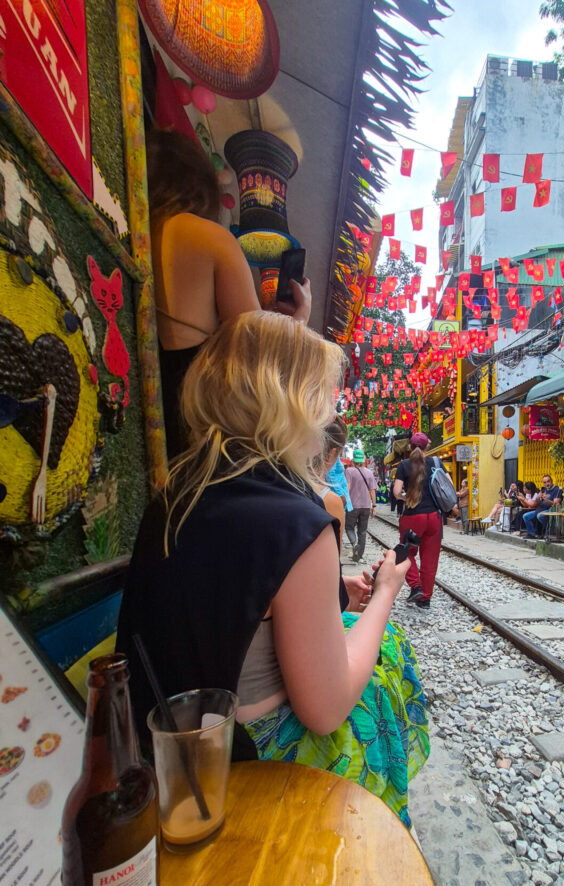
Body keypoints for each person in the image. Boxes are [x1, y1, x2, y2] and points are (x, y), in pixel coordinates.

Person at [117, 312, 428, 827]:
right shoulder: (297, 520)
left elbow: (231, 601)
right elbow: (324, 710)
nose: (330, 414)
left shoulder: (175, 496)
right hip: (251, 760)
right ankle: (378, 832)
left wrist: (328, 596)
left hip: (165, 753)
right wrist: (385, 595)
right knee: (388, 650)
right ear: (292, 403)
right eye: (324, 396)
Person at [147, 129, 312, 458]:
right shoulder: (209, 237)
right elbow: (255, 357)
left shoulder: (135, 230)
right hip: (191, 424)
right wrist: (298, 321)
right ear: (199, 185)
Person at [393, 432, 444, 609]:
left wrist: (406, 498)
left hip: (413, 517)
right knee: (430, 559)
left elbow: (396, 492)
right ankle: (425, 599)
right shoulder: (436, 463)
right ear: (426, 447)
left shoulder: (404, 465)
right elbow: (448, 486)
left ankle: (416, 587)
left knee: (406, 552)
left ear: (410, 446)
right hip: (434, 518)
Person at [344, 450, 376, 562]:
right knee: (362, 531)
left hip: (353, 506)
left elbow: (347, 488)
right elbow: (372, 491)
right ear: (363, 460)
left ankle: (354, 544)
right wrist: (374, 506)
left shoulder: (349, 471)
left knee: (349, 527)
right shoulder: (369, 472)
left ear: (353, 460)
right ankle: (359, 556)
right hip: (366, 506)